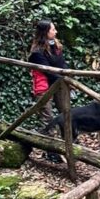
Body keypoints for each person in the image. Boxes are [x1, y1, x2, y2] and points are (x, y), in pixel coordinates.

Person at [29, 19, 67, 163]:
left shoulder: (56, 46)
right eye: (53, 29)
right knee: (48, 119)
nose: (56, 31)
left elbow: (61, 63)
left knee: (66, 112)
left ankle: (69, 142)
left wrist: (68, 74)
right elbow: (48, 71)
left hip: (58, 84)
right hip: (44, 87)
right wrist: (65, 78)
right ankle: (51, 151)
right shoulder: (37, 52)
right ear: (45, 32)